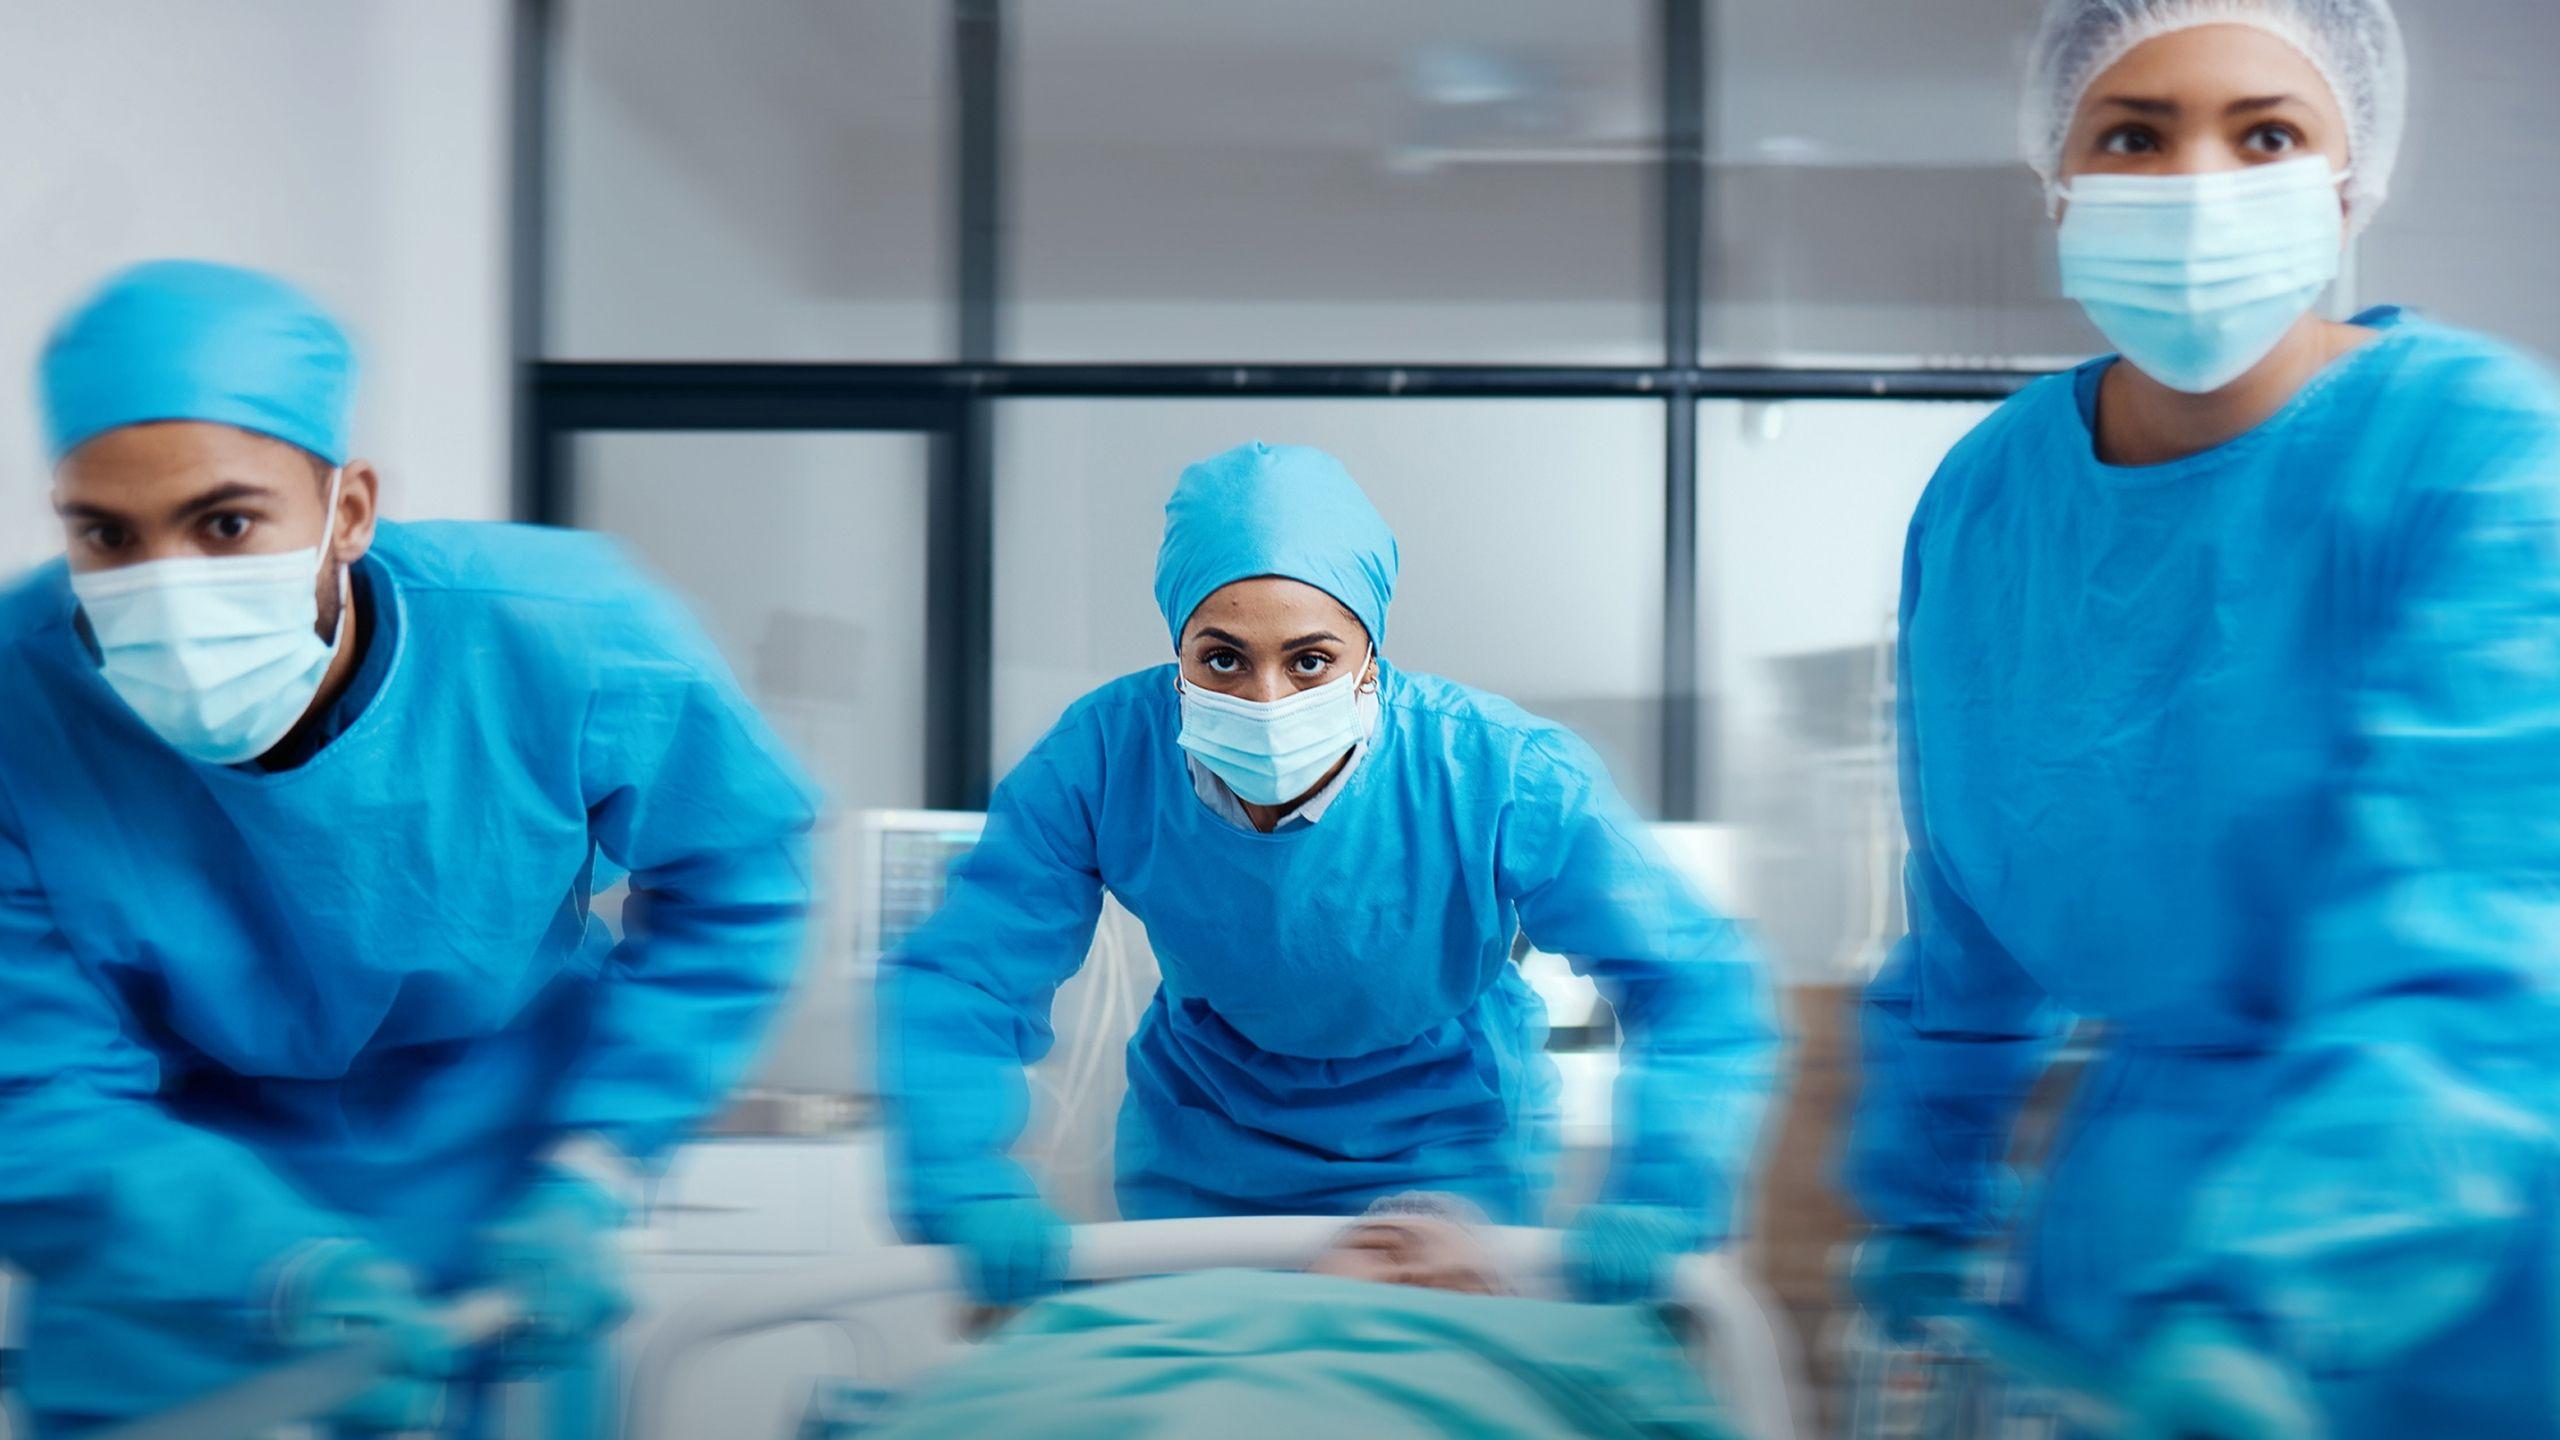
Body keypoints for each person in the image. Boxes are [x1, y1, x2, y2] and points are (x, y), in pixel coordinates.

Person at [1845, 3, 2560, 1436]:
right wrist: (1925, 1201)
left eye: (2268, 133)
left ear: (2351, 181)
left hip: (2442, 1247)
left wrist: (2275, 1302)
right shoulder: (1989, 501)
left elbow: (2481, 937)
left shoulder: (2470, 447)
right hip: (2128, 1246)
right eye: (2134, 133)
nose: (2198, 186)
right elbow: (1965, 915)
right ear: (2060, 180)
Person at [0, 261, 821, 1436]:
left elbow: (737, 880)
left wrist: (595, 1167)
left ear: (348, 512)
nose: (166, 590)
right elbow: (30, 1078)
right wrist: (271, 1268)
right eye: (107, 535)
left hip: (492, 1184)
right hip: (158, 1221)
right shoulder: (17, 702)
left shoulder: (561, 637)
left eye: (225, 523)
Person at [879, 441, 1776, 1311]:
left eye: (1309, 660)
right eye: (1223, 658)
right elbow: (967, 975)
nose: (1266, 699)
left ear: (1369, 663)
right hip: (1209, 1143)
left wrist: (1665, 1190)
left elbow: (1692, 980)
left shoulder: (1499, 772)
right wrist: (966, 1178)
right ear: (1178, 657)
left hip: (1445, 1147)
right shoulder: (1103, 759)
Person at [829, 1194, 1736, 1440]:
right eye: (1379, 1242)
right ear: (1299, 1278)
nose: (1414, 1243)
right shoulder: (1177, 1313)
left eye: (1462, 1271)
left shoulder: (1553, 1357)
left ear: (1509, 1312)